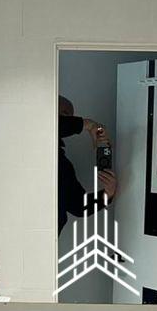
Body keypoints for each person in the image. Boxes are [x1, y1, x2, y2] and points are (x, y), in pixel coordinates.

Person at [58, 95, 117, 235]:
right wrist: (89, 125)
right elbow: (47, 125)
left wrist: (107, 194)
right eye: (64, 116)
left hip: (46, 241)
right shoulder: (27, 139)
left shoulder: (62, 164)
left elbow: (79, 206)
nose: (68, 121)